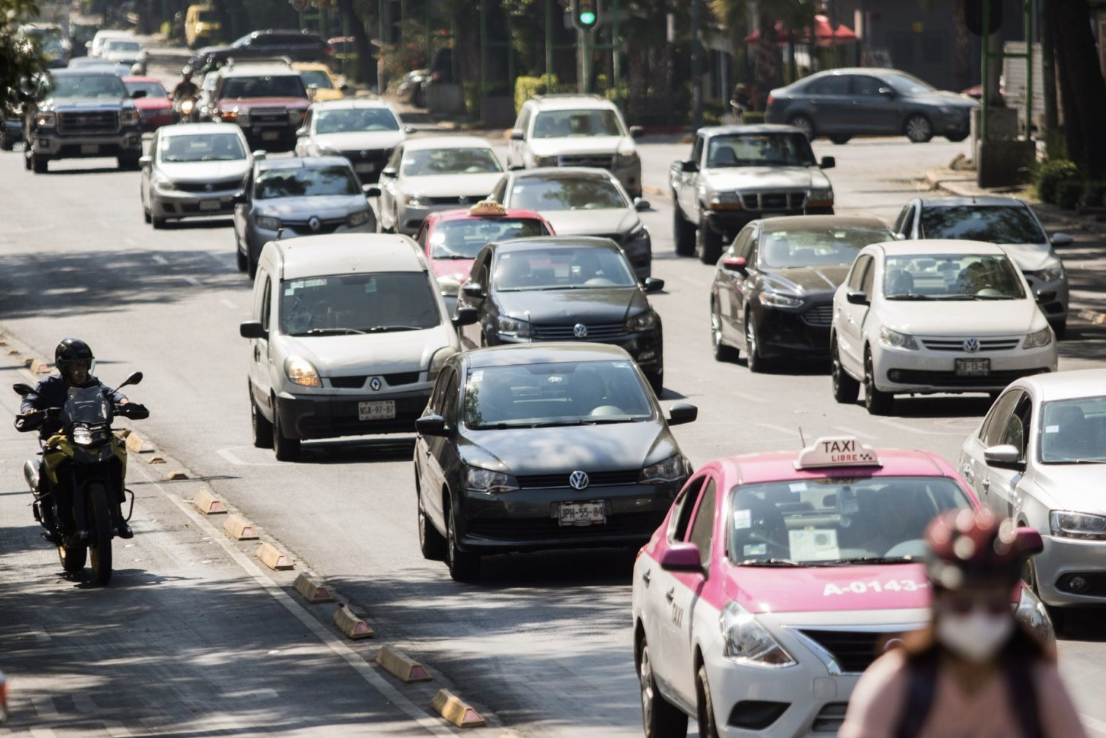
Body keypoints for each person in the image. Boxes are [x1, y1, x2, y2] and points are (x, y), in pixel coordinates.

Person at [840, 509, 1087, 738]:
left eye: (995, 605)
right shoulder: (893, 687)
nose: (979, 619)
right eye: (963, 604)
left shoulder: (1040, 688)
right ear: (938, 600)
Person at [16, 339, 136, 542]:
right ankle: (49, 518)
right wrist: (30, 410)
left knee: (117, 452)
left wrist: (124, 402)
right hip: (61, 437)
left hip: (94, 432)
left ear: (89, 364)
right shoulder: (48, 385)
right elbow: (30, 398)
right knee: (48, 464)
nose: (79, 370)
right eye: (74, 365)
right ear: (64, 367)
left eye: (82, 364)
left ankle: (118, 514)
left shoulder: (93, 383)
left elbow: (111, 393)